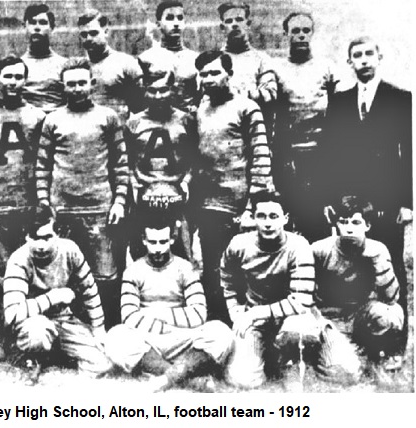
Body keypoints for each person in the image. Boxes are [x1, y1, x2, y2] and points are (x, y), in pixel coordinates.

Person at [321, 37, 412, 347]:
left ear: (379, 56)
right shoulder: (340, 100)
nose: (363, 60)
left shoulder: (401, 98)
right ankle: (358, 337)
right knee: (353, 264)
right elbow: (329, 154)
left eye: (368, 54)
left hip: (387, 200)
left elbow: (409, 153)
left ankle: (396, 342)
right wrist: (331, 199)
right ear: (349, 63)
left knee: (391, 265)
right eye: (356, 55)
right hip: (349, 202)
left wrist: (407, 202)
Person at [220, 191, 357, 388]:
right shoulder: (239, 244)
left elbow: (300, 301)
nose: (268, 223)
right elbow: (227, 278)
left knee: (345, 373)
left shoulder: (298, 246)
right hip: (257, 321)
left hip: (294, 318)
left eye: (274, 216)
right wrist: (235, 309)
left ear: (285, 218)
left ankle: (293, 359)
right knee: (243, 379)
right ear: (253, 218)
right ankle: (268, 353)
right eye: (262, 216)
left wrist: (255, 313)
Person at [36, 58, 129, 328]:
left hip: (99, 207)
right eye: (70, 84)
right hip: (62, 211)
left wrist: (120, 200)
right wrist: (44, 202)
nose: (76, 89)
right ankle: (72, 330)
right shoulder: (52, 120)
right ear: (63, 87)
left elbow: (121, 163)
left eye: (81, 83)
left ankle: (109, 327)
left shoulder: (108, 117)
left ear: (91, 84)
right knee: (66, 272)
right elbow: (42, 165)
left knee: (105, 273)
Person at [105, 216, 232, 391]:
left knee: (221, 331)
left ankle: (166, 377)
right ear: (144, 240)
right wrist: (163, 327)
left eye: (163, 242)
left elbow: (198, 315)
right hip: (148, 339)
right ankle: (190, 380)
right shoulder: (133, 271)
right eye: (153, 242)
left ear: (172, 239)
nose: (158, 248)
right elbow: (129, 317)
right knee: (115, 336)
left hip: (181, 337)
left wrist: (154, 314)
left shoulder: (186, 268)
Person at [193, 50, 273, 323]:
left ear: (229, 74)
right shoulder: (200, 109)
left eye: (214, 73)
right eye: (203, 74)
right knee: (214, 271)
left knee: (243, 271)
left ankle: (249, 329)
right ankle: (218, 329)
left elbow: (261, 157)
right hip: (208, 205)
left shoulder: (247, 108)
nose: (208, 79)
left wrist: (253, 206)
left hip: (238, 207)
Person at [3, 206, 111, 381]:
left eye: (47, 237)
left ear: (58, 234)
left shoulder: (70, 250)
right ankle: (34, 357)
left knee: (101, 362)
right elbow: (12, 314)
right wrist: (54, 297)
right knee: (37, 332)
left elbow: (89, 290)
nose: (41, 245)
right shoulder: (18, 260)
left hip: (62, 319)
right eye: (35, 238)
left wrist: (99, 329)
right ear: (26, 236)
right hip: (32, 322)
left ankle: (56, 353)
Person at [0, 55, 46, 293]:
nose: (13, 82)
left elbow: (45, 164)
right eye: (8, 76)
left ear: (25, 80)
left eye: (18, 77)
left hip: (27, 206)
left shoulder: (38, 117)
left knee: (30, 271)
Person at [312, 196, 404, 372]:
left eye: (355, 222)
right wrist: (320, 321)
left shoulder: (377, 249)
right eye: (343, 222)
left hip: (362, 313)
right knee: (342, 373)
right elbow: (304, 294)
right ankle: (332, 348)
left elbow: (392, 298)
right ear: (336, 224)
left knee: (390, 315)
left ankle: (377, 350)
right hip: (332, 318)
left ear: (367, 226)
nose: (348, 228)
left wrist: (379, 263)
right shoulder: (320, 250)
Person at [273, 12, 339, 242]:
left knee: (320, 218)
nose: (301, 35)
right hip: (289, 156)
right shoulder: (277, 68)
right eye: (295, 31)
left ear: (312, 33)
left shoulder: (327, 67)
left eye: (305, 31)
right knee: (290, 218)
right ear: (286, 34)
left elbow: (340, 107)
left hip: (322, 155)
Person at [124, 62, 197, 261]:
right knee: (141, 254)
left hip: (176, 198)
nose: (158, 96)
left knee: (181, 253)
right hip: (143, 197)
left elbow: (195, 158)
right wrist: (134, 183)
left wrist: (185, 182)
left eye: (164, 90)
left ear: (172, 90)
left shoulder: (186, 120)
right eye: (152, 91)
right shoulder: (133, 123)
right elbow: (126, 160)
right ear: (144, 92)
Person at [217, 2, 277, 130]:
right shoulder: (215, 60)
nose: (234, 24)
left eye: (239, 19)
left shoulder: (262, 59)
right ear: (222, 28)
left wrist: (231, 94)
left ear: (248, 24)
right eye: (229, 21)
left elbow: (269, 94)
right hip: (225, 127)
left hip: (255, 127)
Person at [77, 9, 142, 123]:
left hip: (118, 134)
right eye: (84, 34)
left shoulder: (125, 62)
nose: (88, 39)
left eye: (93, 33)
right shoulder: (80, 67)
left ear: (106, 32)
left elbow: (141, 106)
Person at [138, 1, 199, 112]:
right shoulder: (146, 58)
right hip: (158, 119)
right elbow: (139, 98)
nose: (176, 23)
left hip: (188, 121)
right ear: (158, 24)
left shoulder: (194, 58)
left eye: (180, 18)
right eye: (170, 18)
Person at [21, 3, 67, 112]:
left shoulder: (64, 65)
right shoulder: (17, 67)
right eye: (32, 22)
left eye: (43, 23)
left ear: (52, 27)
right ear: (24, 26)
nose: (37, 27)